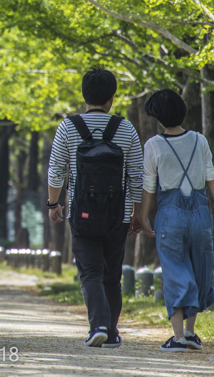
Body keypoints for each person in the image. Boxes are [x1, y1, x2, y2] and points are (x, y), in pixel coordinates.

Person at [48, 67, 143, 349]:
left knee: (90, 272)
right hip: (119, 215)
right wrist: (137, 213)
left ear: (84, 95)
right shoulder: (126, 128)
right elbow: (136, 175)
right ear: (112, 97)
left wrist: (54, 204)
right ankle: (111, 332)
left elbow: (56, 171)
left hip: (82, 213)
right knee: (112, 275)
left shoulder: (68, 126)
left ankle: (98, 326)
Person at [138, 89, 214, 352]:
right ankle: (192, 333)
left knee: (174, 270)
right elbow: (211, 180)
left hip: (170, 215)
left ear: (159, 117)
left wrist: (142, 217)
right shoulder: (199, 140)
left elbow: (148, 187)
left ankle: (178, 337)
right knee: (199, 268)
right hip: (201, 213)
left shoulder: (153, 145)